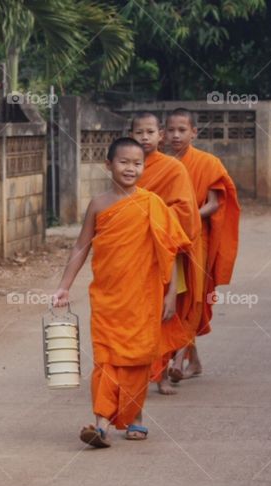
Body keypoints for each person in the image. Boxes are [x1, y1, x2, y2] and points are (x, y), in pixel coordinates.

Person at [52, 138, 190, 447]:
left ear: (144, 166)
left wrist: (171, 295)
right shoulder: (99, 204)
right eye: (124, 162)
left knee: (138, 358)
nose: (131, 168)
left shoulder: (153, 204)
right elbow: (81, 246)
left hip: (144, 297)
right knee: (107, 357)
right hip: (107, 297)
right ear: (108, 165)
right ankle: (101, 422)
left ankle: (134, 417)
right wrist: (64, 286)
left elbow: (175, 250)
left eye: (137, 163)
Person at [163, 108, 242, 381]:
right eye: (171, 130)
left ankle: (178, 357)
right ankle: (193, 361)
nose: (175, 135)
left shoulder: (208, 162)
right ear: (163, 133)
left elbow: (214, 203)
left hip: (197, 238)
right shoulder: (159, 165)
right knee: (175, 295)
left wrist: (187, 217)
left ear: (194, 132)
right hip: (169, 240)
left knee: (194, 296)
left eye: (182, 130)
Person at [129, 112, 203, 395]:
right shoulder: (128, 166)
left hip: (166, 250)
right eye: (139, 132)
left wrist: (153, 217)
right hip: (133, 252)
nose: (145, 138)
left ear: (160, 135)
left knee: (163, 313)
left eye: (150, 132)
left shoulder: (172, 168)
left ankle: (159, 374)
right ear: (131, 135)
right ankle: (135, 371)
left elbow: (186, 211)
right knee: (137, 315)